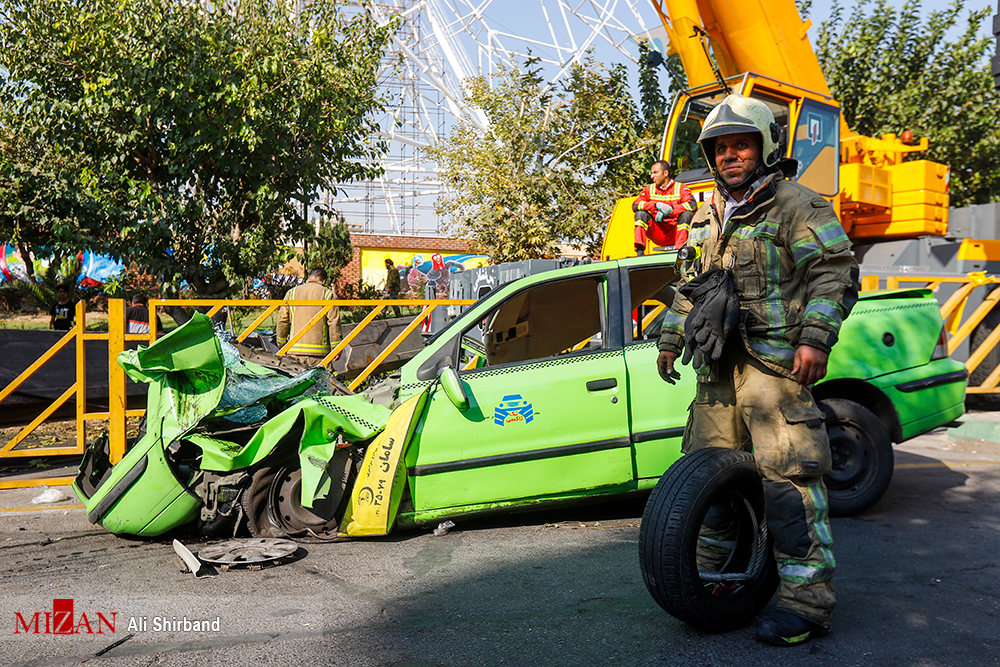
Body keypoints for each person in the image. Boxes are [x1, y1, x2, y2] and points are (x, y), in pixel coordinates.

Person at [656, 94, 860, 646]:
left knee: (789, 487)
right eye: (720, 148)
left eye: (741, 144)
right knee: (707, 485)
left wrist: (817, 338)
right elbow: (690, 287)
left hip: (774, 368)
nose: (730, 156)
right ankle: (708, 585)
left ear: (766, 146)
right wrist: (671, 339)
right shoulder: (706, 213)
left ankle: (806, 606)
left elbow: (835, 273)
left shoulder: (798, 204)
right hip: (717, 371)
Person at [277, 267, 343, 367]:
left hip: (295, 351)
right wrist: (336, 349)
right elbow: (334, 323)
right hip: (320, 354)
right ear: (324, 280)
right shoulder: (328, 294)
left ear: (309, 277)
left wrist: (282, 345)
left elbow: (282, 320)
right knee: (323, 381)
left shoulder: (292, 293)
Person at [632, 160, 697, 255]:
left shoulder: (680, 188)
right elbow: (635, 205)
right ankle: (640, 252)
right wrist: (655, 205)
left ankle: (679, 250)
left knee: (687, 214)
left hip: (676, 232)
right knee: (640, 214)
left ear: (665, 173)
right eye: (651, 173)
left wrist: (670, 210)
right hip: (658, 233)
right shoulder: (649, 189)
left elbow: (692, 205)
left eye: (655, 172)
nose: (652, 176)